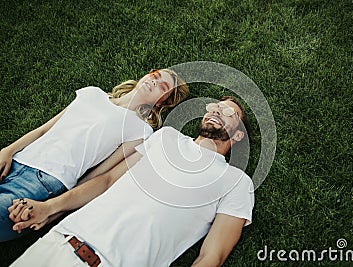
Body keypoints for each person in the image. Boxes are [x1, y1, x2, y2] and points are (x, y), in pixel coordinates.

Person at [9, 96, 254, 267]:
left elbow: (213, 256)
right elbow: (107, 181)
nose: (216, 111)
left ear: (239, 134)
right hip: (59, 241)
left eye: (229, 112)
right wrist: (49, 207)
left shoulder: (236, 182)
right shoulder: (165, 138)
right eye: (214, 106)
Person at [0, 69, 189, 241]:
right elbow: (44, 130)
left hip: (44, 183)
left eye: (162, 86)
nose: (154, 82)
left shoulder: (140, 131)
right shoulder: (92, 94)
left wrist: (51, 211)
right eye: (155, 76)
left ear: (162, 101)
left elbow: (97, 177)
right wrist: (7, 151)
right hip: (15, 161)